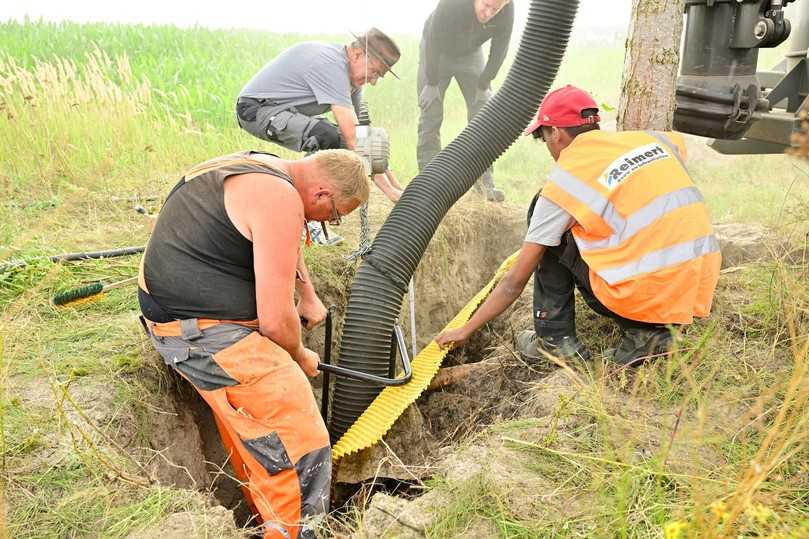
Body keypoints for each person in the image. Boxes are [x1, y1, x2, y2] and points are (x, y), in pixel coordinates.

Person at [138, 149, 369, 539]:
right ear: (322, 194)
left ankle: (270, 524)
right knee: (298, 437)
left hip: (185, 318)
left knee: (261, 436)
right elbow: (277, 322)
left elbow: (277, 238)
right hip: (202, 332)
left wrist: (307, 293)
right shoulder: (280, 198)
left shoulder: (267, 168)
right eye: (333, 217)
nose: (325, 224)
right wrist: (298, 355)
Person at [436, 85, 721, 366]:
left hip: (643, 293)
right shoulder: (650, 140)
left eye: (545, 138)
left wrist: (465, 330)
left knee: (546, 219)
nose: (548, 147)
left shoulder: (567, 181)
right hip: (695, 285)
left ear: (556, 133)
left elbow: (513, 283)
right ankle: (650, 333)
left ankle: (555, 341)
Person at [236, 28, 404, 207]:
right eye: (375, 72)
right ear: (357, 54)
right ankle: (294, 206)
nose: (374, 81)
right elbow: (354, 139)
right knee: (326, 136)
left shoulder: (350, 78)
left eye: (379, 76)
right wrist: (389, 192)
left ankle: (305, 205)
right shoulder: (331, 66)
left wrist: (397, 188)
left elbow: (364, 134)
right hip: (256, 109)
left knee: (361, 139)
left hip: (282, 111)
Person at [417, 0, 514, 202]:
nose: (488, 13)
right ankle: (428, 186)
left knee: (484, 117)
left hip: (470, 53)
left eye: (494, 9)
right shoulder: (452, 4)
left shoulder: (507, 9)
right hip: (437, 52)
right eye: (485, 5)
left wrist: (484, 83)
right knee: (431, 115)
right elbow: (434, 39)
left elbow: (500, 48)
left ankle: (484, 186)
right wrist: (432, 82)